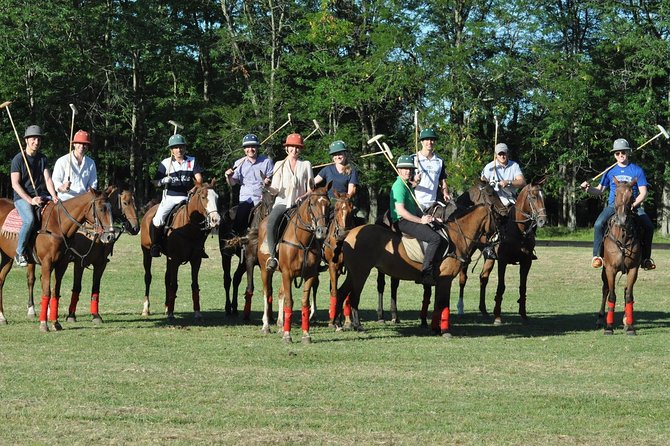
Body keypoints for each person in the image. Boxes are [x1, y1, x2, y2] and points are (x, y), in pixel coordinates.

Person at [580, 138, 656, 270]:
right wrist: (587, 189)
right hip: (613, 206)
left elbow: (643, 193)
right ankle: (597, 257)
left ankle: (646, 259)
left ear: (628, 153)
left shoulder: (637, 170)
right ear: (614, 155)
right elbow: (599, 191)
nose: (620, 155)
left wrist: (633, 205)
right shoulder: (610, 171)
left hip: (633, 206)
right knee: (598, 224)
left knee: (649, 226)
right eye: (617, 153)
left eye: (623, 152)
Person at [10, 125, 60, 267]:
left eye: (38, 139)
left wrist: (54, 195)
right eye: (33, 139)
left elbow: (48, 179)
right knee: (30, 220)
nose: (36, 142)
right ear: (26, 140)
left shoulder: (42, 158)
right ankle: (19, 252)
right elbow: (15, 184)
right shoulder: (18, 159)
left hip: (41, 196)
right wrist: (30, 200)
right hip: (22, 198)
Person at [390, 154, 443, 286]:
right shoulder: (399, 186)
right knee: (435, 238)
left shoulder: (407, 185)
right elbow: (401, 211)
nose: (408, 171)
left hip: (410, 219)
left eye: (410, 169)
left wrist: (432, 218)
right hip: (402, 221)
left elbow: (415, 208)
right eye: (405, 169)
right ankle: (425, 273)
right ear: (399, 170)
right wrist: (421, 221)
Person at [264, 133, 314, 272]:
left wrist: (303, 196)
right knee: (271, 222)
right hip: (282, 202)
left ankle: (318, 257)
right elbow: (275, 190)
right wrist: (268, 186)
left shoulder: (306, 164)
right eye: (292, 146)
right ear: (287, 148)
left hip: (301, 204)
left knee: (318, 224)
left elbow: (311, 189)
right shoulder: (279, 164)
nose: (294, 150)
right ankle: (273, 257)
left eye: (297, 147)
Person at [150, 133, 204, 257]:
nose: (179, 150)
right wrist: (163, 181)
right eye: (175, 147)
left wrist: (194, 188)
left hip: (187, 198)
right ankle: (155, 245)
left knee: (202, 218)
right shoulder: (165, 163)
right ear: (171, 150)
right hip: (170, 197)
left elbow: (199, 180)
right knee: (158, 219)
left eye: (181, 147)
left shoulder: (192, 160)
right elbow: (155, 182)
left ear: (185, 148)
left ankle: (199, 246)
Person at [479, 142, 527, 259]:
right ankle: (488, 246)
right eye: (500, 154)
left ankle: (526, 246)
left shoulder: (514, 166)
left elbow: (522, 182)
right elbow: (481, 184)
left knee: (525, 218)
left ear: (507, 154)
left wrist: (509, 182)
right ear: (496, 155)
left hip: (510, 200)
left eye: (504, 153)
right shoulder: (490, 167)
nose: (502, 156)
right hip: (494, 201)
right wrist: (486, 182)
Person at [224, 133, 274, 235]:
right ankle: (236, 236)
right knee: (241, 213)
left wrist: (268, 182)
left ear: (257, 147)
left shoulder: (267, 162)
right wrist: (228, 177)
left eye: (253, 146)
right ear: (244, 149)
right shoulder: (239, 163)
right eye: (247, 147)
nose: (250, 149)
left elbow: (273, 180)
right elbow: (233, 184)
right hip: (246, 198)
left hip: (263, 197)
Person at [52, 130, 98, 200]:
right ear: (74, 144)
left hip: (84, 200)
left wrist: (90, 191)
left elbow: (93, 182)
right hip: (66, 199)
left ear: (87, 146)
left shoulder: (91, 163)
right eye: (79, 143)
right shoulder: (62, 161)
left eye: (85, 144)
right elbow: (56, 180)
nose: (82, 146)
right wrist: (62, 188)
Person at [414, 128, 450, 209]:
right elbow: (406, 181)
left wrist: (445, 193)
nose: (430, 142)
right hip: (416, 203)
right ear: (421, 141)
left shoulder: (439, 161)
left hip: (433, 203)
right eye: (426, 139)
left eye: (432, 140)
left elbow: (443, 181)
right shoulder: (414, 159)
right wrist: (414, 180)